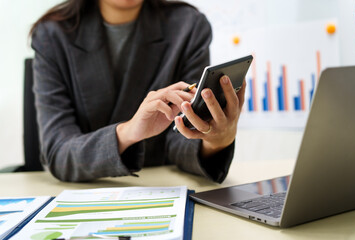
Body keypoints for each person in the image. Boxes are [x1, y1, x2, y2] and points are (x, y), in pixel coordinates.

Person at [30, 0, 246, 182]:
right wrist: (128, 132)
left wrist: (216, 141)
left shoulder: (188, 26)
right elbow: (58, 152)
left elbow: (182, 135)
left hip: (164, 188)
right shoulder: (52, 34)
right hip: (86, 189)